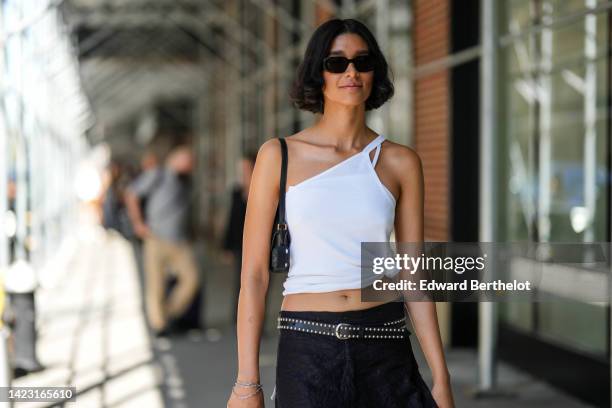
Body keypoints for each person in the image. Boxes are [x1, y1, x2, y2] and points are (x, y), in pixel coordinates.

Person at [227, 19, 455, 407]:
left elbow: (412, 272)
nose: (351, 71)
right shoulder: (278, 156)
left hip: (385, 342)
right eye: (336, 63)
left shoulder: (400, 161)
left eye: (362, 62)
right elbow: (253, 275)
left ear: (374, 73)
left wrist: (441, 378)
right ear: (318, 73)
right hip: (307, 343)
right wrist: (247, 382)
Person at [125, 144, 200, 337]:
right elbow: (131, 193)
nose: (192, 164)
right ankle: (160, 325)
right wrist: (138, 223)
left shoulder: (186, 181)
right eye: (188, 160)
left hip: (179, 241)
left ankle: (169, 313)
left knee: (192, 278)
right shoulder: (157, 174)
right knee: (155, 285)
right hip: (156, 239)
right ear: (176, 158)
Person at [222, 151, 257, 324]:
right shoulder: (236, 192)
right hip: (239, 243)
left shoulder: (262, 188)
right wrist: (226, 247)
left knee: (258, 283)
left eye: (244, 168)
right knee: (241, 281)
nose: (241, 172)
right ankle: (239, 318)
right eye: (240, 169)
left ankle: (257, 320)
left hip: (259, 243)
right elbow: (232, 220)